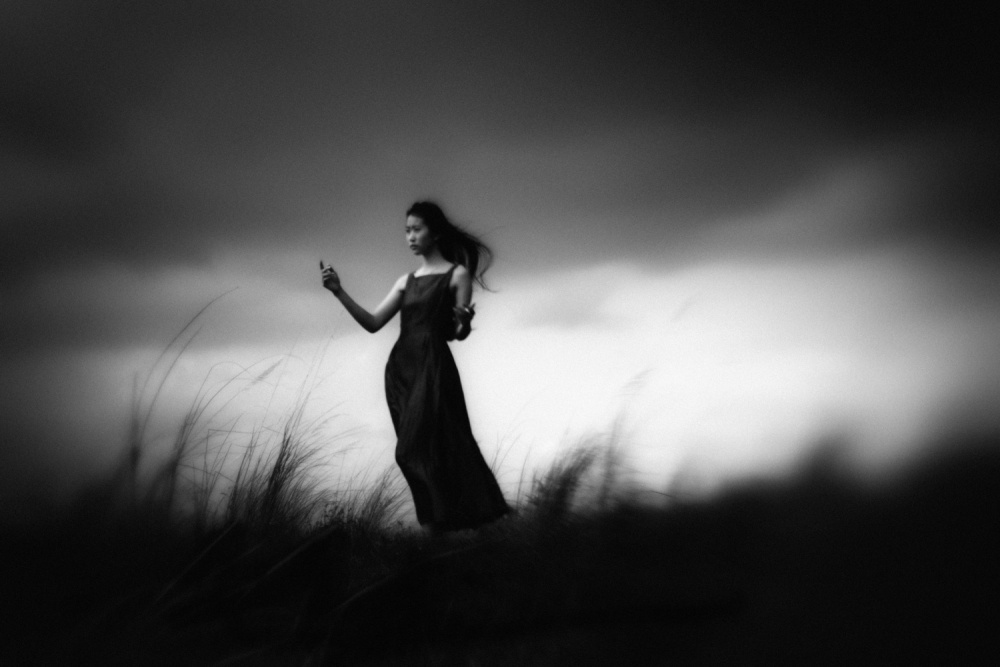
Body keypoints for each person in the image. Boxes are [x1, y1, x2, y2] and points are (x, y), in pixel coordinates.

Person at [320, 201, 509, 533]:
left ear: (435, 233)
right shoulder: (405, 281)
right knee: (419, 450)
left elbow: (457, 333)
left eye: (416, 229)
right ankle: (441, 526)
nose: (410, 236)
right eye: (406, 230)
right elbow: (373, 323)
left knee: (419, 449)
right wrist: (338, 291)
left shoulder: (457, 275)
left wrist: (465, 323)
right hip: (401, 371)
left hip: (433, 367)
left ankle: (449, 521)